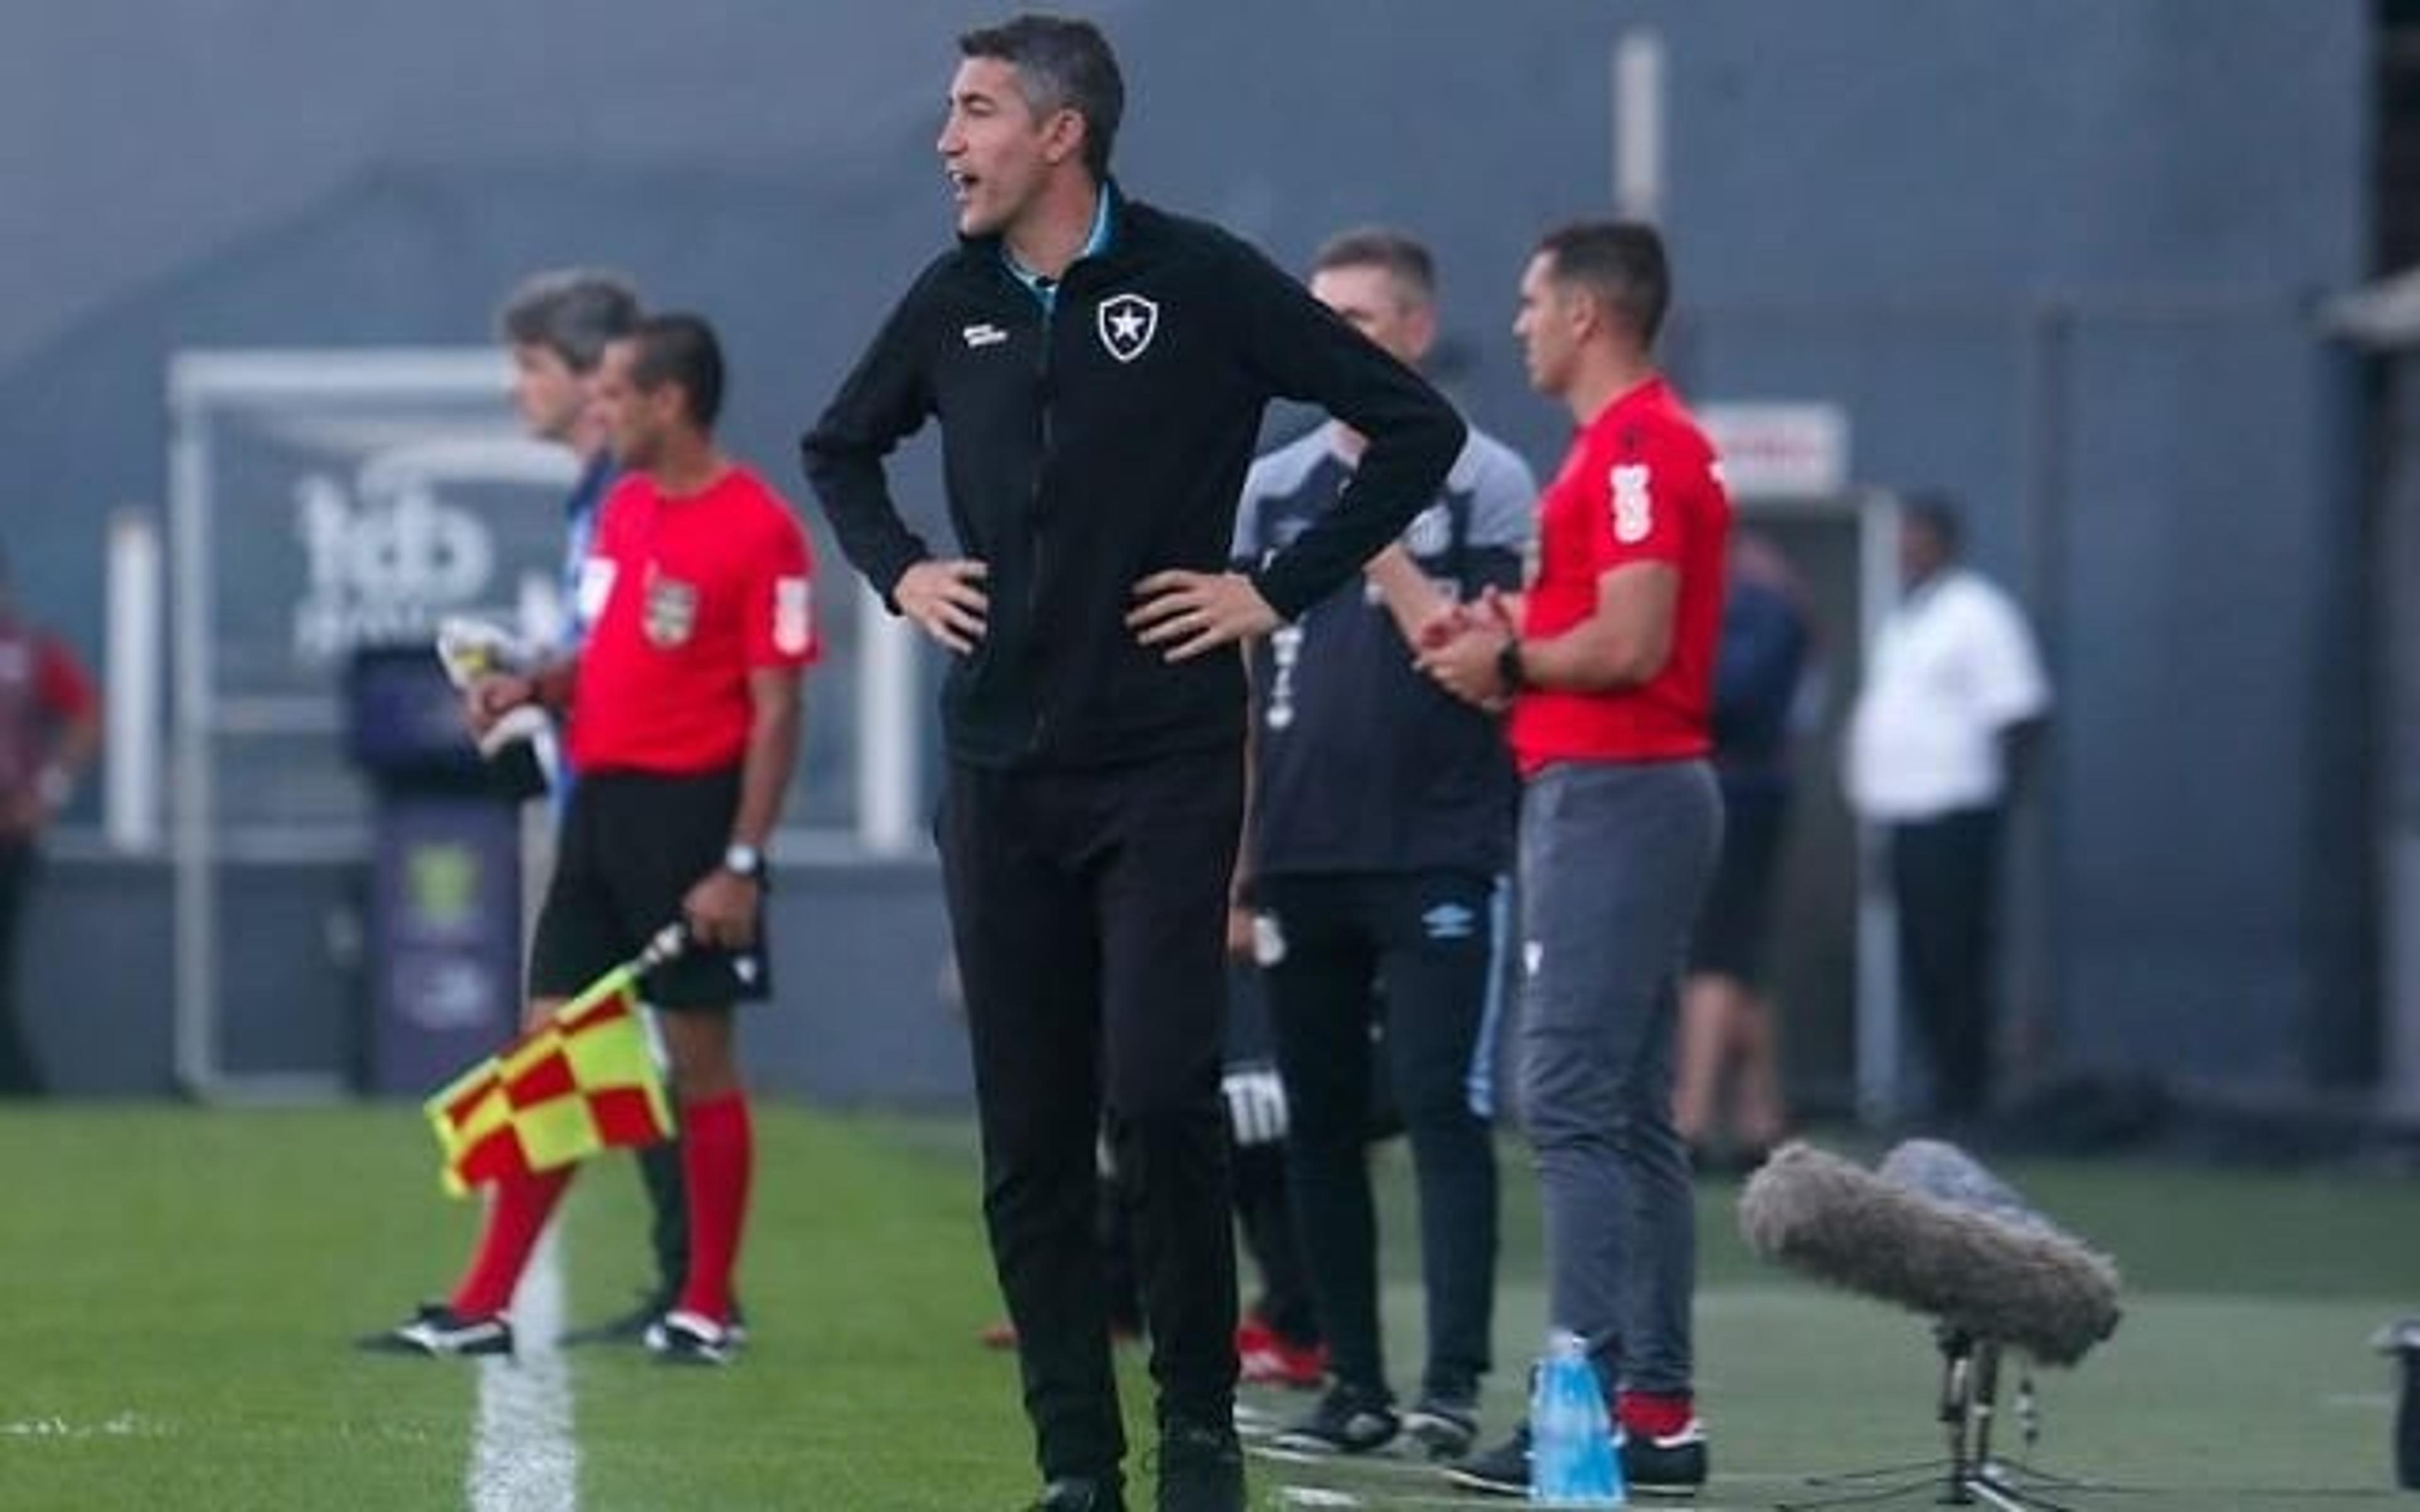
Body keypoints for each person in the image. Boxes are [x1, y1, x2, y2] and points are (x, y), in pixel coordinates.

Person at [800, 16, 1463, 1509]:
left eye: (969, 112)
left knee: (1157, 1093)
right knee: (1027, 1124)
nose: (942, 141)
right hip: (995, 770)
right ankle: (1075, 1462)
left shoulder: (1202, 277)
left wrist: (1272, 586)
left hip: (1163, 760)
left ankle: (1197, 1432)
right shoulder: (950, 298)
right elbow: (839, 448)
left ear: (1059, 133)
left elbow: (1413, 423)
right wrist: (902, 571)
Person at [366, 313, 819, 1365]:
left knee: (700, 1067)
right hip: (598, 816)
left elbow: (781, 710)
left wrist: (741, 861)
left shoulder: (758, 527)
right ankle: (484, 1301)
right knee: (547, 1056)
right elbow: (608, 656)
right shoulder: (622, 510)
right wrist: (532, 686)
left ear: (670, 402)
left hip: (693, 818)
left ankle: (706, 1305)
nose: (598, 412)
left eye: (615, 394)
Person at [1417, 220, 1726, 1498]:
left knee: (1568, 1098)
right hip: (1611, 789)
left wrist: (1515, 658)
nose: (1525, 321)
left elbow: (1635, 640)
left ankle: (1583, 1405)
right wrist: (1515, 631)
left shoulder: (1642, 448)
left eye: (1536, 300)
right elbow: (1596, 625)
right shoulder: (1611, 453)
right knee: (1626, 1108)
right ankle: (1655, 1410)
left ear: (1592, 314)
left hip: (1617, 792)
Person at [1231, 227, 1530, 1463]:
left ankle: (1451, 1380)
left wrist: (1380, 536)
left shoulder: (1487, 478)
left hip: (1442, 844)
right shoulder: (1268, 485)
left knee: (1440, 1107)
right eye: (1320, 317)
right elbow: (1243, 679)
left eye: (1358, 318)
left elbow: (1493, 669)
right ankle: (1350, 1376)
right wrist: (1236, 860)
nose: (1335, 339)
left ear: (1413, 330)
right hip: (1303, 848)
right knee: (1315, 1118)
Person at [490, 267, 705, 1345]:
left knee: (617, 1046)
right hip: (599, 801)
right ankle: (684, 1283)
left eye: (533, 366)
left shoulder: (641, 495)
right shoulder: (596, 501)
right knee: (600, 1047)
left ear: (596, 378)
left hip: (656, 810)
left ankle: (698, 1292)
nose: (516, 388)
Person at [1844, 496, 2050, 1123]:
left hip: (1956, 812)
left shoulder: (1977, 614)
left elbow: (2019, 711)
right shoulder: (1907, 617)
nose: (1903, 548)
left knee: (1957, 956)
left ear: (1943, 542)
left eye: (1914, 537)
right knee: (1920, 958)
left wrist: (1997, 805)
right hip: (1902, 815)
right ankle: (1938, 1087)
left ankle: (1969, 1096)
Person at [1674, 530, 1814, 1171]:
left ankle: (1692, 1118)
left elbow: (1733, 696)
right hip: (1714, 783)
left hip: (1741, 792)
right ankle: (1762, 1119)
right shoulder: (1722, 596)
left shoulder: (1760, 603)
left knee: (1716, 954)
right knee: (1738, 962)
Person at [0, 545, 101, 1097]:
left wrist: (48, 789)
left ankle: (24, 1094)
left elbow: (87, 711)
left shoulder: (32, 652)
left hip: (11, 836)